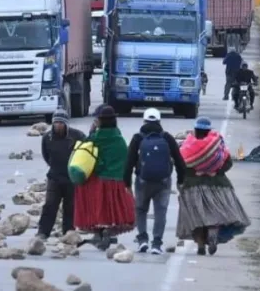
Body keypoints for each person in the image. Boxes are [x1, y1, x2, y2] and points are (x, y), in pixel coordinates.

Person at [176, 117, 249, 256]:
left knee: (195, 218)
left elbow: (181, 165)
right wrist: (215, 171)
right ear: (209, 130)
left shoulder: (187, 145)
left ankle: (201, 246)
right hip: (218, 185)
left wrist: (194, 173)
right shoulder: (217, 144)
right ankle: (213, 231)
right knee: (215, 213)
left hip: (192, 186)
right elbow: (228, 163)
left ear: (196, 130)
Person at [124, 108, 186, 254]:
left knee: (140, 210)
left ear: (144, 121)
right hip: (163, 182)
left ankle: (142, 240)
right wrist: (181, 180)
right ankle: (156, 244)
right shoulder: (167, 138)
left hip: (142, 181)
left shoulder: (137, 138)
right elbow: (179, 161)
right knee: (160, 212)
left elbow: (129, 162)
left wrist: (126, 183)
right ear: (159, 121)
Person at [73, 105, 136, 251]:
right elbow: (125, 159)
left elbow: (87, 153)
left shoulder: (96, 138)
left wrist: (91, 131)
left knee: (97, 208)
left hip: (99, 179)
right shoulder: (119, 139)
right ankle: (107, 231)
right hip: (117, 179)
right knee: (112, 209)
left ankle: (99, 233)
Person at [36, 109, 86, 239]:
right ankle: (43, 232)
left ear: (66, 124)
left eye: (61, 123)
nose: (58, 125)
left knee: (71, 207)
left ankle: (68, 232)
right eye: (56, 122)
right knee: (50, 205)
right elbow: (46, 156)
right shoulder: (47, 137)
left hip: (72, 178)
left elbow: (86, 152)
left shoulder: (77, 136)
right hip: (54, 177)